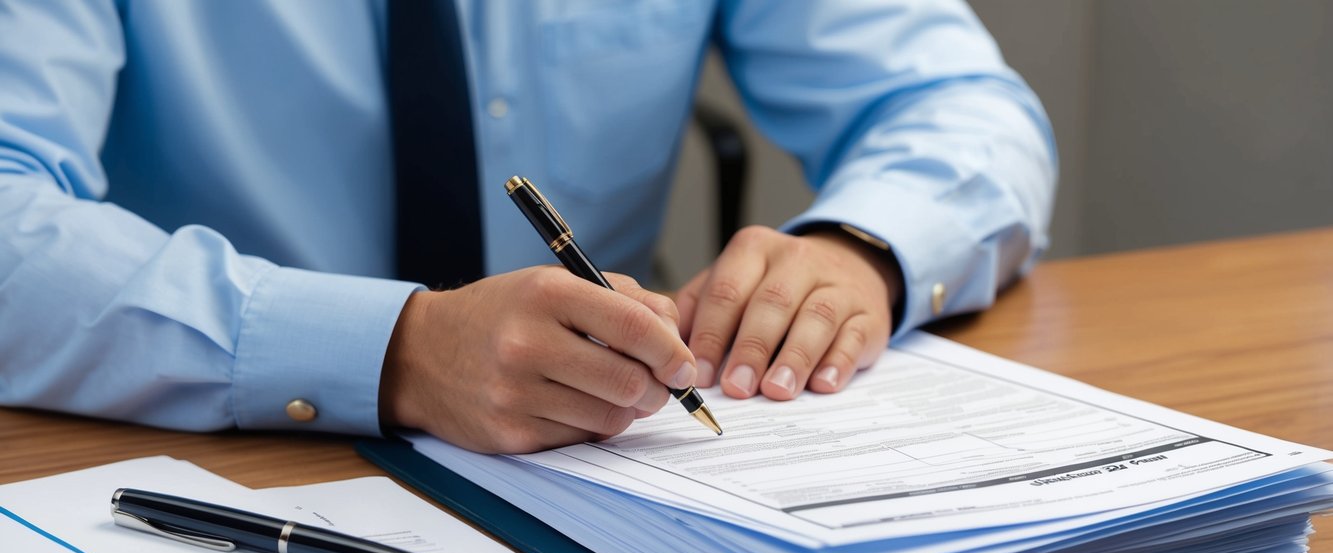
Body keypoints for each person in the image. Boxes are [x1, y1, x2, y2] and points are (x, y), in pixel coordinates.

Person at [0, 0, 1055, 454]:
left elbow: (954, 101)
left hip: (603, 467)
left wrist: (859, 248)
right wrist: (397, 351)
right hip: (227, 463)